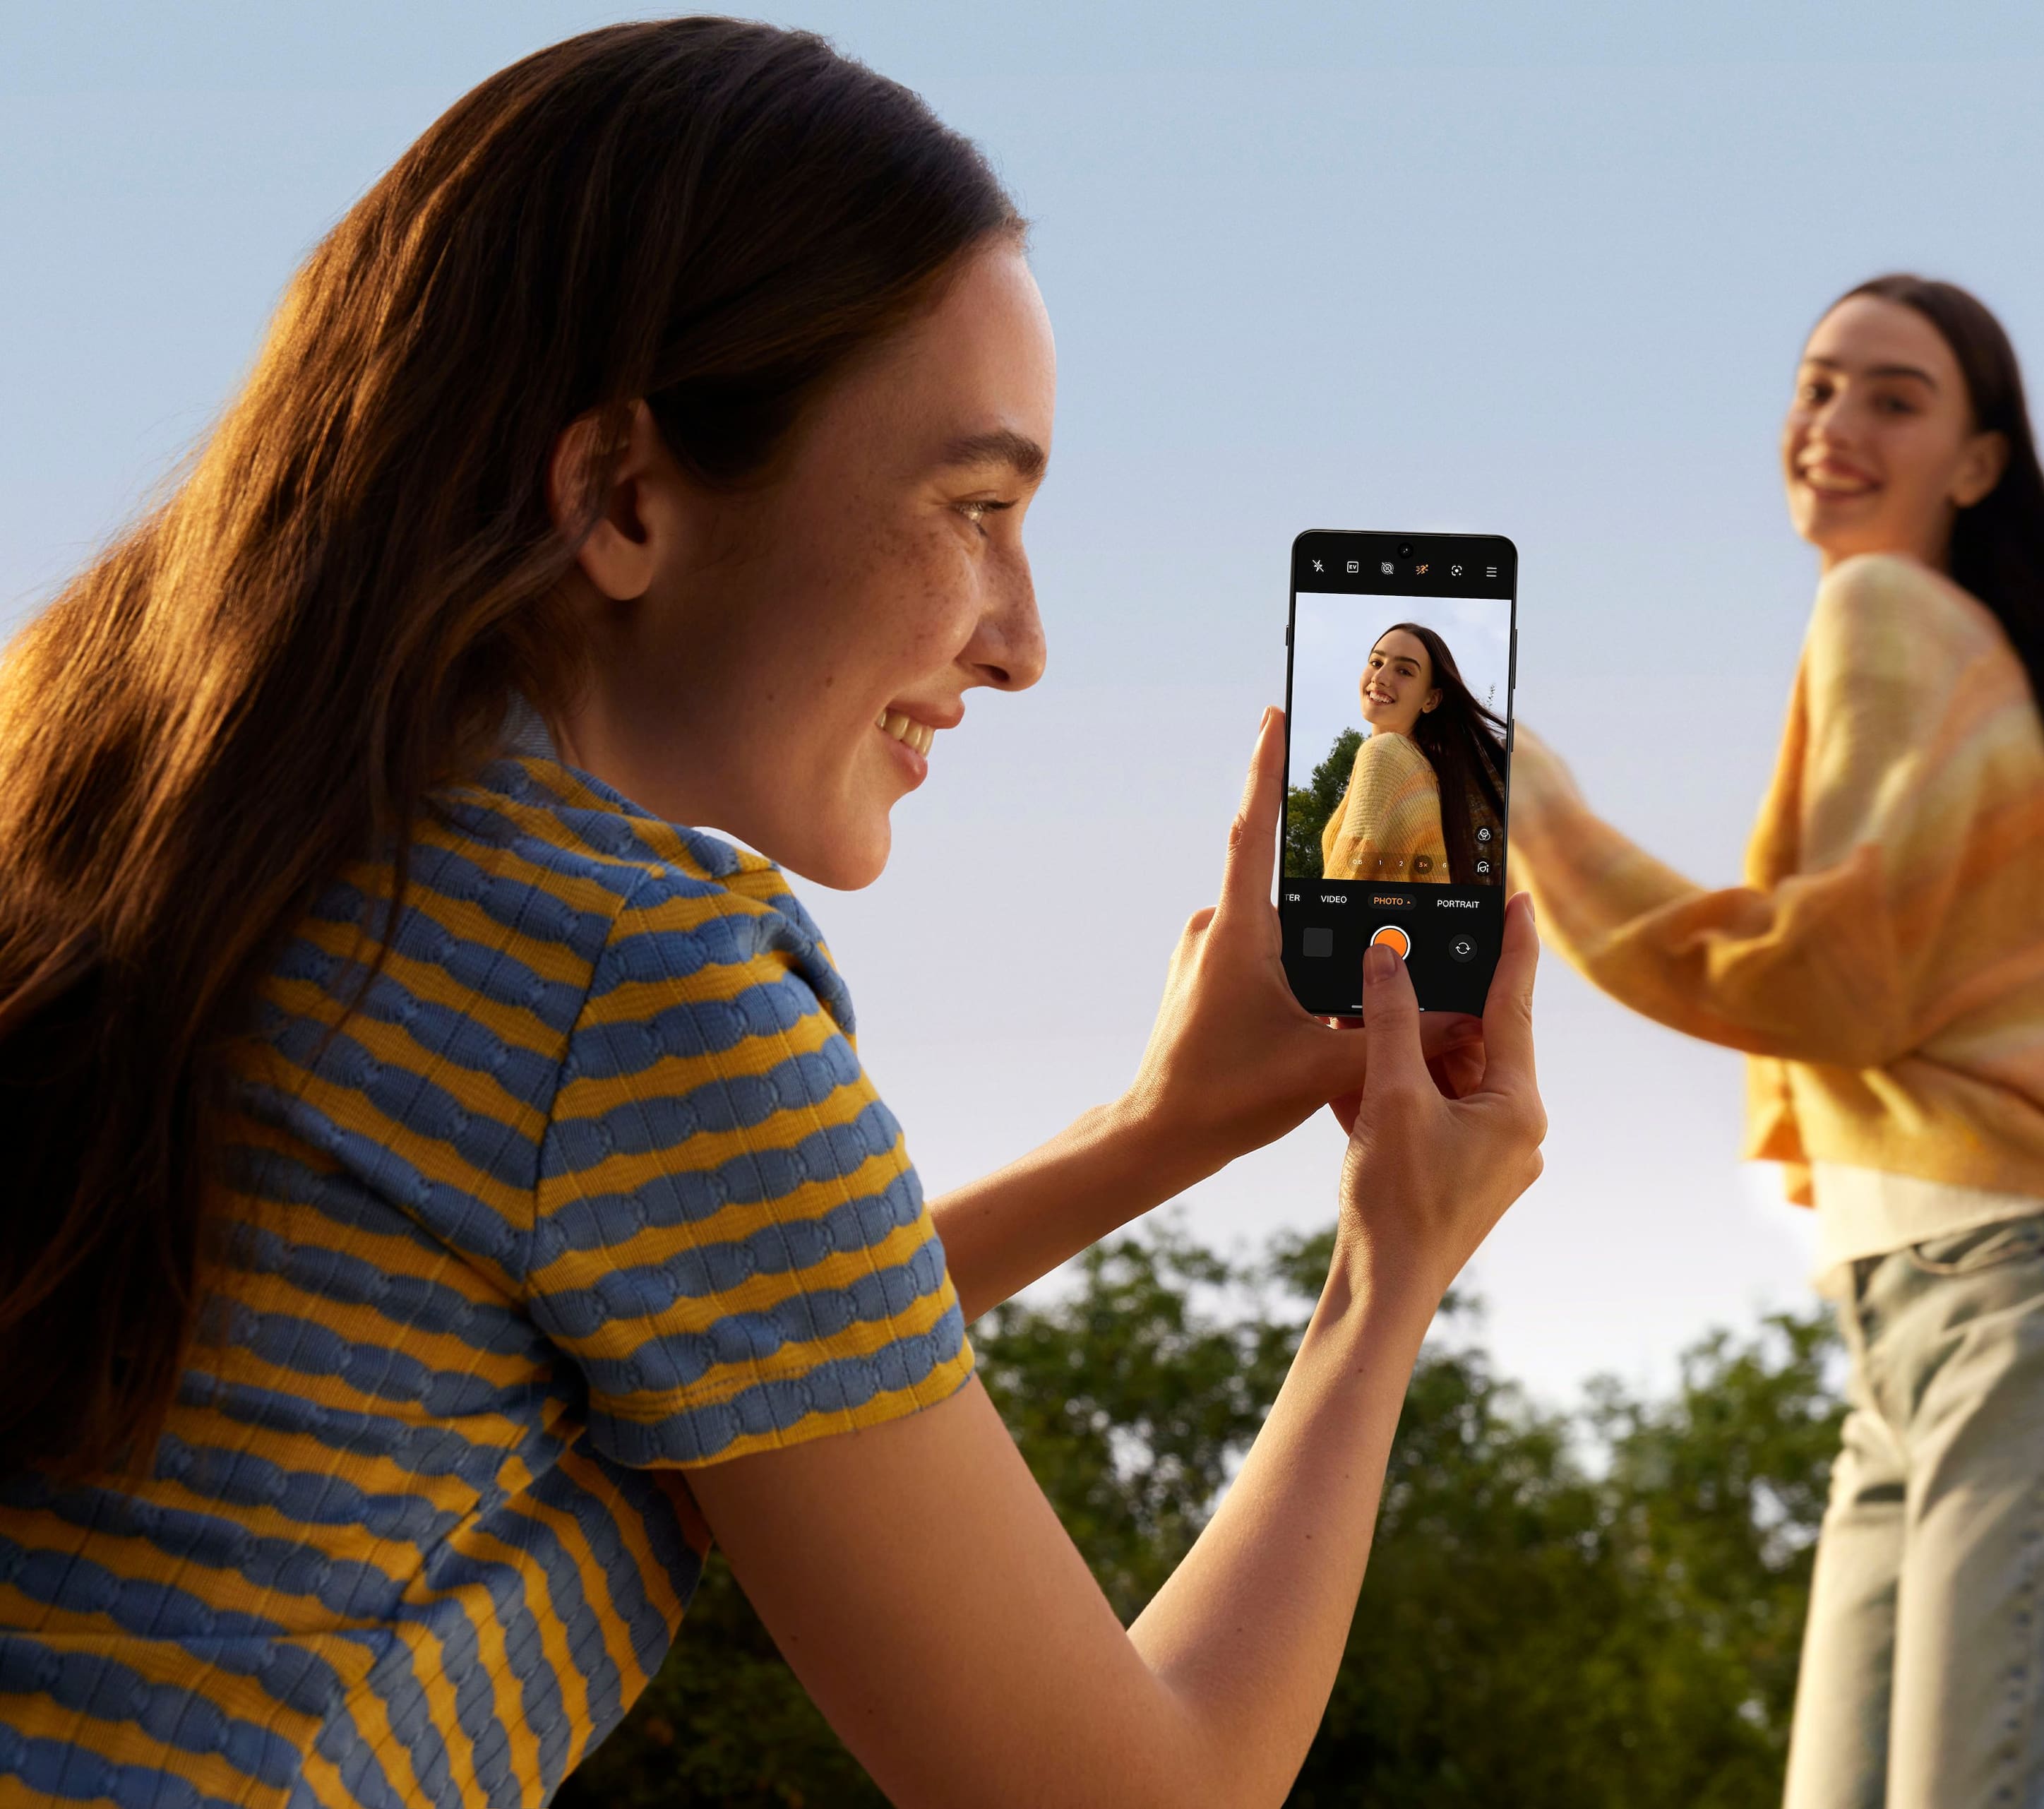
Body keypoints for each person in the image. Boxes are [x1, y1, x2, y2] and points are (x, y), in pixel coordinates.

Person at [0, 22, 1546, 1809]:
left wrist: (1153, 1135)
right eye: (974, 507)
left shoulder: (179, 829)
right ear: (624, 497)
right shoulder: (627, 972)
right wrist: (1388, 1276)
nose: (1022, 641)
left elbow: (729, 1359)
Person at [1510, 275, 2044, 1808]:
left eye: (1892, 399)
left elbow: (1836, 981)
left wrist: (1544, 824)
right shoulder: (1933, 642)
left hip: (2024, 1307)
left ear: (1975, 464)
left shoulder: (1886, 610)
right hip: (1929, 1334)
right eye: (1817, 386)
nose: (1834, 424)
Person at [1322, 623, 1509, 886]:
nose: (1381, 677)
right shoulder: (1432, 776)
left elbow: (1348, 887)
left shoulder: (1385, 756)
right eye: (1376, 662)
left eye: (1404, 671)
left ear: (1431, 700)